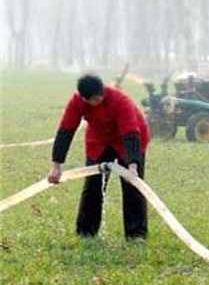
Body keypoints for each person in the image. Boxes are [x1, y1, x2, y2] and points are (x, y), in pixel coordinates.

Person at [47, 73, 150, 240]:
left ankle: (136, 234)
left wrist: (132, 166)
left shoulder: (120, 100)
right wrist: (56, 165)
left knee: (132, 187)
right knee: (92, 186)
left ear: (102, 91)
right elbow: (66, 131)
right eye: (91, 100)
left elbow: (130, 132)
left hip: (130, 139)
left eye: (98, 98)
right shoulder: (77, 102)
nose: (96, 102)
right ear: (83, 98)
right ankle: (86, 231)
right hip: (100, 140)